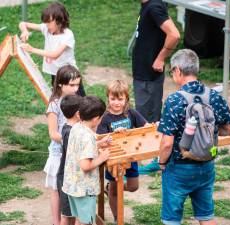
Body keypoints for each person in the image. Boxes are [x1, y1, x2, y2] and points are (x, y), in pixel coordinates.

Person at [157, 49, 230, 225]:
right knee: (206, 217)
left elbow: (167, 143)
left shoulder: (174, 100)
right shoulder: (214, 96)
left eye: (172, 71)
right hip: (206, 165)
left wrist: (162, 163)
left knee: (172, 220)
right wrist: (211, 131)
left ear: (178, 70)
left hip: (179, 167)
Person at [133, 0, 180, 173]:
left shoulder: (154, 7)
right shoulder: (150, 5)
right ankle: (155, 156)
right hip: (143, 72)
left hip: (148, 75)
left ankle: (154, 160)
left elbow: (174, 34)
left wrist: (161, 58)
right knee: (148, 114)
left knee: (147, 117)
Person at [96, 80, 148, 222]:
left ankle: (110, 189)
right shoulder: (105, 118)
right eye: (113, 99)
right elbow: (100, 139)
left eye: (120, 99)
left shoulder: (131, 113)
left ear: (126, 99)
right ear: (108, 98)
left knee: (133, 187)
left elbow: (145, 126)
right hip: (113, 158)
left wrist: (152, 125)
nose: (116, 103)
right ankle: (117, 218)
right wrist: (114, 134)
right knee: (114, 190)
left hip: (131, 156)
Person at [62, 96, 112, 225]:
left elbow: (81, 149)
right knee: (85, 222)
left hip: (72, 185)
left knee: (80, 219)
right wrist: (102, 157)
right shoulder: (88, 137)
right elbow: (85, 165)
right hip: (84, 189)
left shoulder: (76, 127)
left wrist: (99, 143)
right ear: (96, 119)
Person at [18, 1, 85, 96]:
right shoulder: (46, 28)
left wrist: (32, 49)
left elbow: (55, 55)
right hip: (55, 74)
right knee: (60, 101)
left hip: (70, 76)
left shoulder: (67, 35)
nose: (46, 25)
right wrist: (24, 31)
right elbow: (22, 23)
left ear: (59, 21)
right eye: (45, 22)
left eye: (49, 22)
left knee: (81, 103)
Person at [44, 65, 82, 225]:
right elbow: (53, 134)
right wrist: (71, 139)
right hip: (58, 154)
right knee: (55, 190)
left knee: (70, 190)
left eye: (78, 84)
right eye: (72, 85)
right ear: (60, 84)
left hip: (74, 154)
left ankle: (68, 219)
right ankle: (56, 221)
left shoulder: (78, 102)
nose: (76, 88)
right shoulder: (54, 105)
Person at [57, 94, 82, 225]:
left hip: (69, 177)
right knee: (66, 215)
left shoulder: (69, 128)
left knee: (71, 213)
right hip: (67, 179)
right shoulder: (70, 133)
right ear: (78, 114)